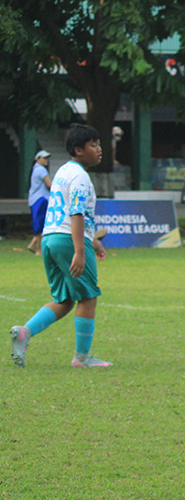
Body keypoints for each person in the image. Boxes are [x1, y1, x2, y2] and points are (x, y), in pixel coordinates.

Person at [9, 124, 111, 369]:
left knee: (64, 299)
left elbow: (68, 211)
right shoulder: (80, 176)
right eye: (93, 145)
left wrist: (93, 242)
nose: (99, 149)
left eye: (99, 144)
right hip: (68, 240)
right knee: (88, 297)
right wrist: (79, 250)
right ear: (78, 150)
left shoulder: (64, 171)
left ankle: (24, 332)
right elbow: (76, 213)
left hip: (50, 238)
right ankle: (82, 359)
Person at [26, 150, 52, 255]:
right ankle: (39, 250)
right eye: (44, 158)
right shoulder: (41, 170)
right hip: (41, 199)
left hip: (34, 200)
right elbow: (49, 184)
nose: (46, 160)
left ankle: (33, 245)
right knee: (41, 224)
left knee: (38, 223)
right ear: (37, 159)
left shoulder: (35, 169)